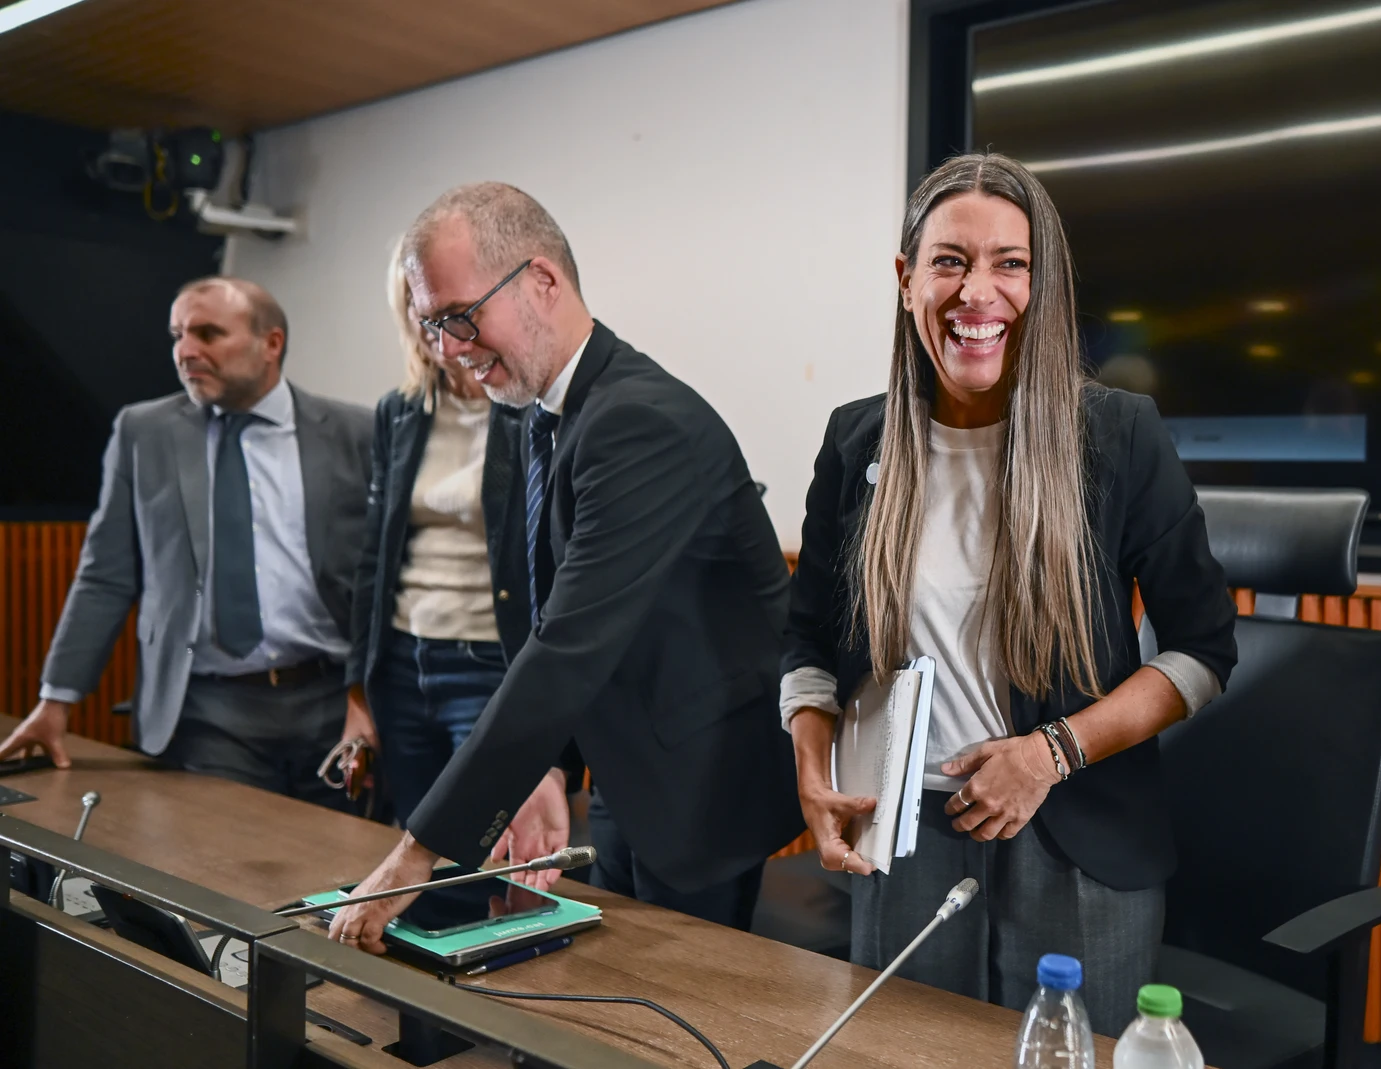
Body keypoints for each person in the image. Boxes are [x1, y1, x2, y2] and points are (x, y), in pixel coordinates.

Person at [780, 153, 1237, 1035]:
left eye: (1010, 264)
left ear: (1042, 283)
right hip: (902, 835)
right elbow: (808, 645)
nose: (977, 292)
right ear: (907, 278)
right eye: (949, 261)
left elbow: (1202, 651)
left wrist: (1050, 752)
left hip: (1077, 840)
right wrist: (812, 770)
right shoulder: (854, 441)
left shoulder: (1118, 435)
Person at [327, 183, 802, 943]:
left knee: (673, 1003)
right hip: (626, 769)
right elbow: (549, 611)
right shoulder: (544, 410)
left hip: (700, 784)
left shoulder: (637, 420)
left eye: (460, 317)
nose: (448, 349)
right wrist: (547, 768)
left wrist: (414, 855)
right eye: (433, 325)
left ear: (542, 281)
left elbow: (568, 645)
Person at [0, 277, 375, 807]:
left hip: (333, 702)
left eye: (208, 333)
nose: (185, 351)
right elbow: (105, 575)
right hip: (207, 709)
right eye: (178, 335)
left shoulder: (356, 432)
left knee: (339, 857)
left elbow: (382, 576)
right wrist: (55, 699)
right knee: (223, 853)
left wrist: (371, 699)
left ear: (271, 343)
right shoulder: (144, 432)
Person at [346, 246, 528, 825]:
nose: (432, 324)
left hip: (489, 661)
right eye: (416, 308)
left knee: (481, 836)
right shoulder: (398, 411)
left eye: (445, 309)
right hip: (401, 661)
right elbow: (374, 558)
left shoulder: (527, 409)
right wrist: (357, 692)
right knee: (412, 835)